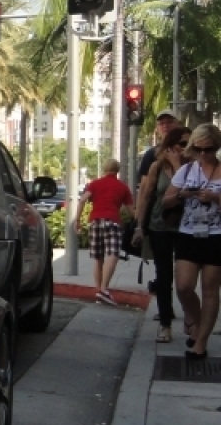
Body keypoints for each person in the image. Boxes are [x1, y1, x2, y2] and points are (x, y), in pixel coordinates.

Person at [163, 122, 221, 358]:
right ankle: (196, 324)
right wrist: (181, 194)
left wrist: (216, 197)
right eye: (198, 149)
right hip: (189, 234)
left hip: (216, 236)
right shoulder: (186, 171)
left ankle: (202, 342)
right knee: (184, 287)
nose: (204, 154)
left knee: (210, 289)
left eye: (209, 149)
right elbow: (165, 202)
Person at [134, 125, 189, 341]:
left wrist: (178, 166)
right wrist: (139, 226)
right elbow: (146, 197)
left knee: (186, 280)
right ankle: (165, 324)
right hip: (161, 227)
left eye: (189, 144)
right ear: (170, 146)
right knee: (164, 276)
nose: (186, 148)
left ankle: (191, 318)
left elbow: (185, 192)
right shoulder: (157, 167)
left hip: (188, 228)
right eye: (182, 144)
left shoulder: (195, 167)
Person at [81, 158, 133, 305]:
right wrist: (139, 223)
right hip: (113, 221)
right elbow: (131, 211)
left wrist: (77, 220)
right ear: (117, 170)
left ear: (104, 169)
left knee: (98, 258)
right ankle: (104, 289)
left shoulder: (95, 184)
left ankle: (99, 291)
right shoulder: (122, 187)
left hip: (95, 221)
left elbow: (82, 200)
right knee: (113, 254)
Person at [137, 111, 180, 189]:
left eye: (169, 122)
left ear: (177, 124)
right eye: (161, 123)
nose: (165, 126)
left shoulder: (186, 150)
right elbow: (144, 185)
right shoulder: (150, 154)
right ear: (157, 128)